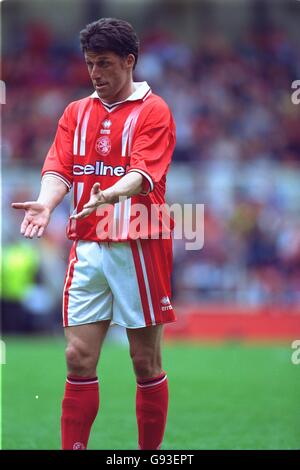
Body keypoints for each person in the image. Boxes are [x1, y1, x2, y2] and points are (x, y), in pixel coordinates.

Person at [12, 17, 176, 450]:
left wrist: (110, 195)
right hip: (87, 244)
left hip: (139, 246)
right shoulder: (75, 112)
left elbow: (141, 174)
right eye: (89, 64)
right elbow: (59, 168)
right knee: (77, 358)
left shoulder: (153, 110)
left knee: (144, 361)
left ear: (130, 61)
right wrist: (46, 203)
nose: (96, 74)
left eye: (104, 63)